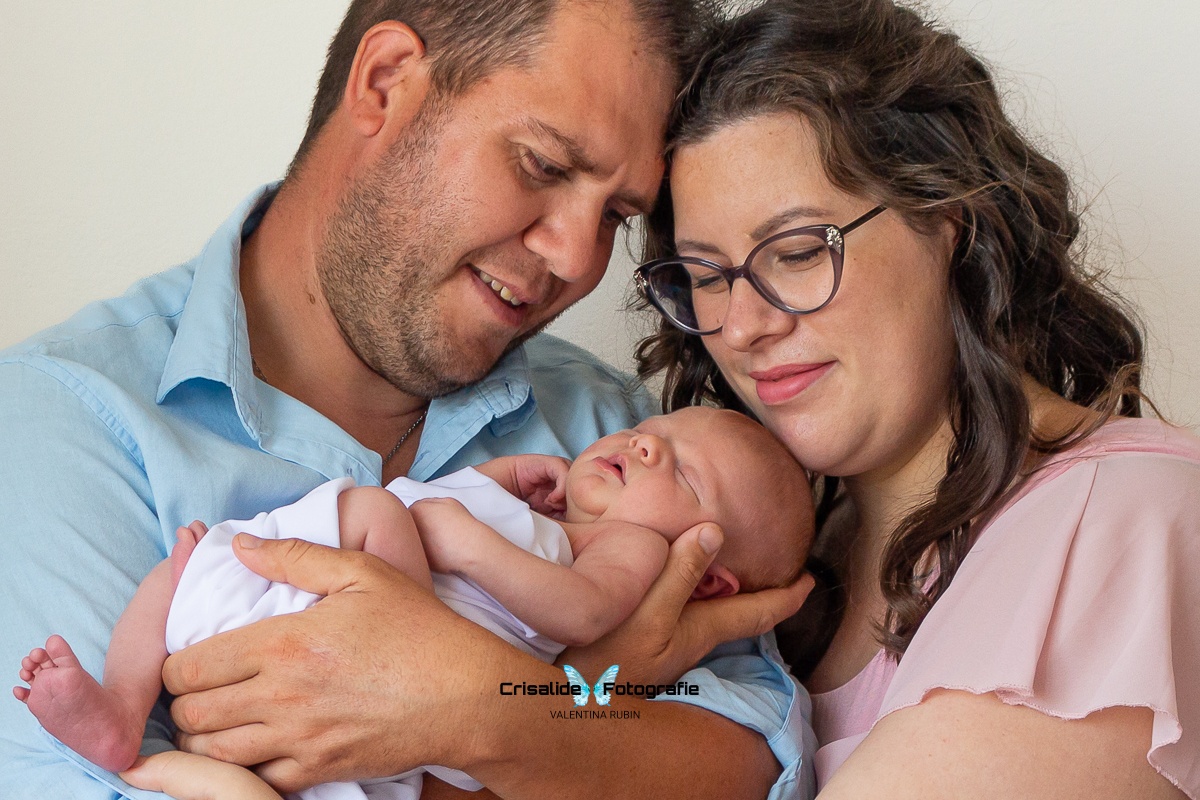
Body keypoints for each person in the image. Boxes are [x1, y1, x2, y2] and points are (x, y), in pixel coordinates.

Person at [0, 1, 816, 798]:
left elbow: (754, 758)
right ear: (386, 82)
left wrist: (494, 716)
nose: (574, 256)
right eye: (542, 164)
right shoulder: (62, 427)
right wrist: (592, 703)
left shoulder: (616, 429)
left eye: (616, 215)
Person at [632, 0, 1200, 797]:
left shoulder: (1126, 522)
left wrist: (484, 717)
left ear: (950, 220)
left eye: (796, 252)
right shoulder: (767, 567)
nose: (744, 326)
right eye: (705, 276)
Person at [17, 406, 814, 800]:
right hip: (282, 622)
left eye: (682, 473)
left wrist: (465, 538)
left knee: (374, 513)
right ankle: (123, 713)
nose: (645, 443)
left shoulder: (631, 554)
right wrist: (504, 491)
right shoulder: (560, 513)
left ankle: (148, 755)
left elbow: (580, 615)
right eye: (654, 428)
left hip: (373, 675)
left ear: (708, 574)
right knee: (185, 562)